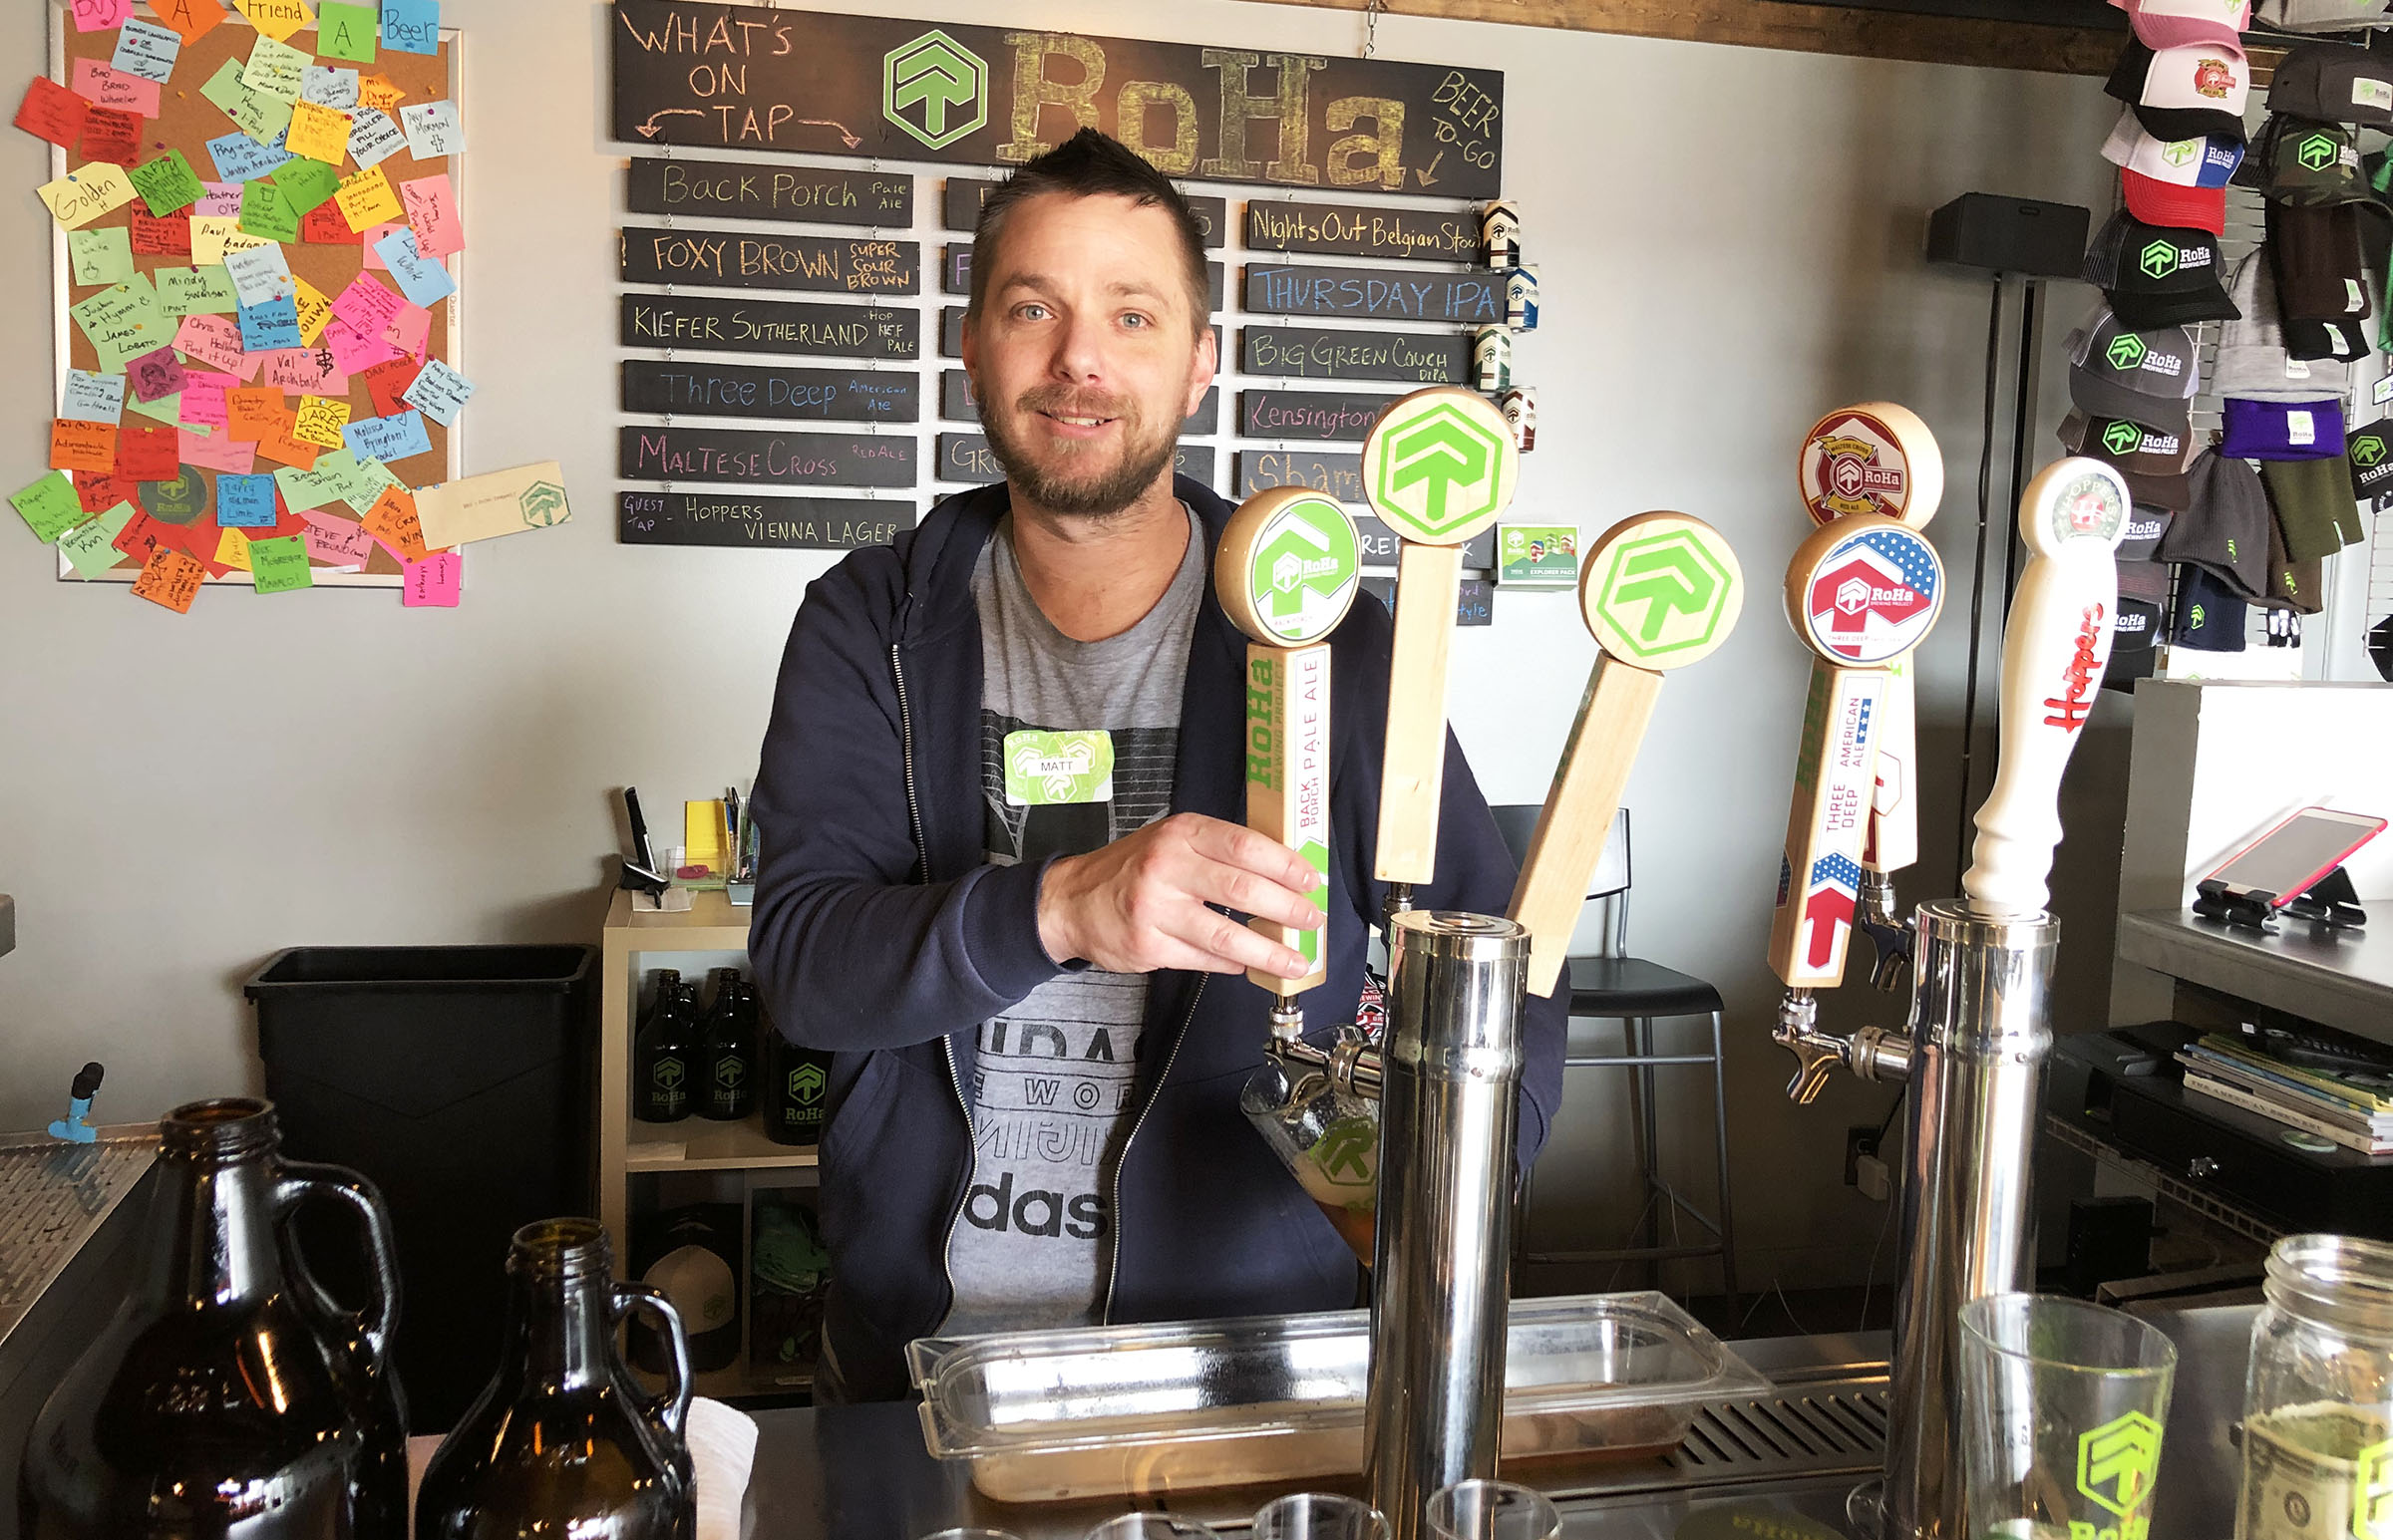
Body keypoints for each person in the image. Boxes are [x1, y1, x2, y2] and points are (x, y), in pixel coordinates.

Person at [749, 129, 1565, 1402]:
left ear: (1199, 365)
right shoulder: (872, 623)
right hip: (927, 1367)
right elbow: (805, 967)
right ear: (973, 346)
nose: (1080, 358)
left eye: (1132, 316)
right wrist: (1066, 905)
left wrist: (1448, 1196)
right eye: (1034, 309)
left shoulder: (1325, 627)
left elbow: (1493, 951)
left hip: (1249, 1365)